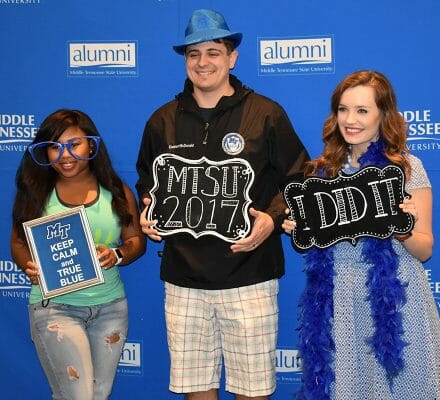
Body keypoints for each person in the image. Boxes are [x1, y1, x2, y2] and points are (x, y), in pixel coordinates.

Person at [136, 8, 309, 400]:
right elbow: (149, 182)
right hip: (184, 279)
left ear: (232, 58)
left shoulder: (266, 114)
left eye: (213, 52)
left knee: (253, 390)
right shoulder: (161, 121)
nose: (203, 62)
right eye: (193, 53)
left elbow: (299, 177)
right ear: (185, 60)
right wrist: (148, 213)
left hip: (250, 273)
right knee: (196, 390)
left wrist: (271, 218)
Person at [282, 70, 440, 399]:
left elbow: (425, 249)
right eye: (343, 109)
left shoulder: (407, 169)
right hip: (341, 301)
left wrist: (401, 229)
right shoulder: (322, 172)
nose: (350, 120)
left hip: (395, 303)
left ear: (384, 115)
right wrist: (302, 227)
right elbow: (319, 241)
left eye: (362, 110)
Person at [10, 109, 146, 400]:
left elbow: (136, 240)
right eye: (55, 147)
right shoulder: (35, 192)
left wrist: (117, 254)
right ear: (44, 152)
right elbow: (19, 243)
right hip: (55, 308)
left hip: (111, 308)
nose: (65, 155)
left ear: (92, 146)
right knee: (78, 396)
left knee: (97, 395)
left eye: (74, 144)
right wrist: (28, 266)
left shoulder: (116, 191)